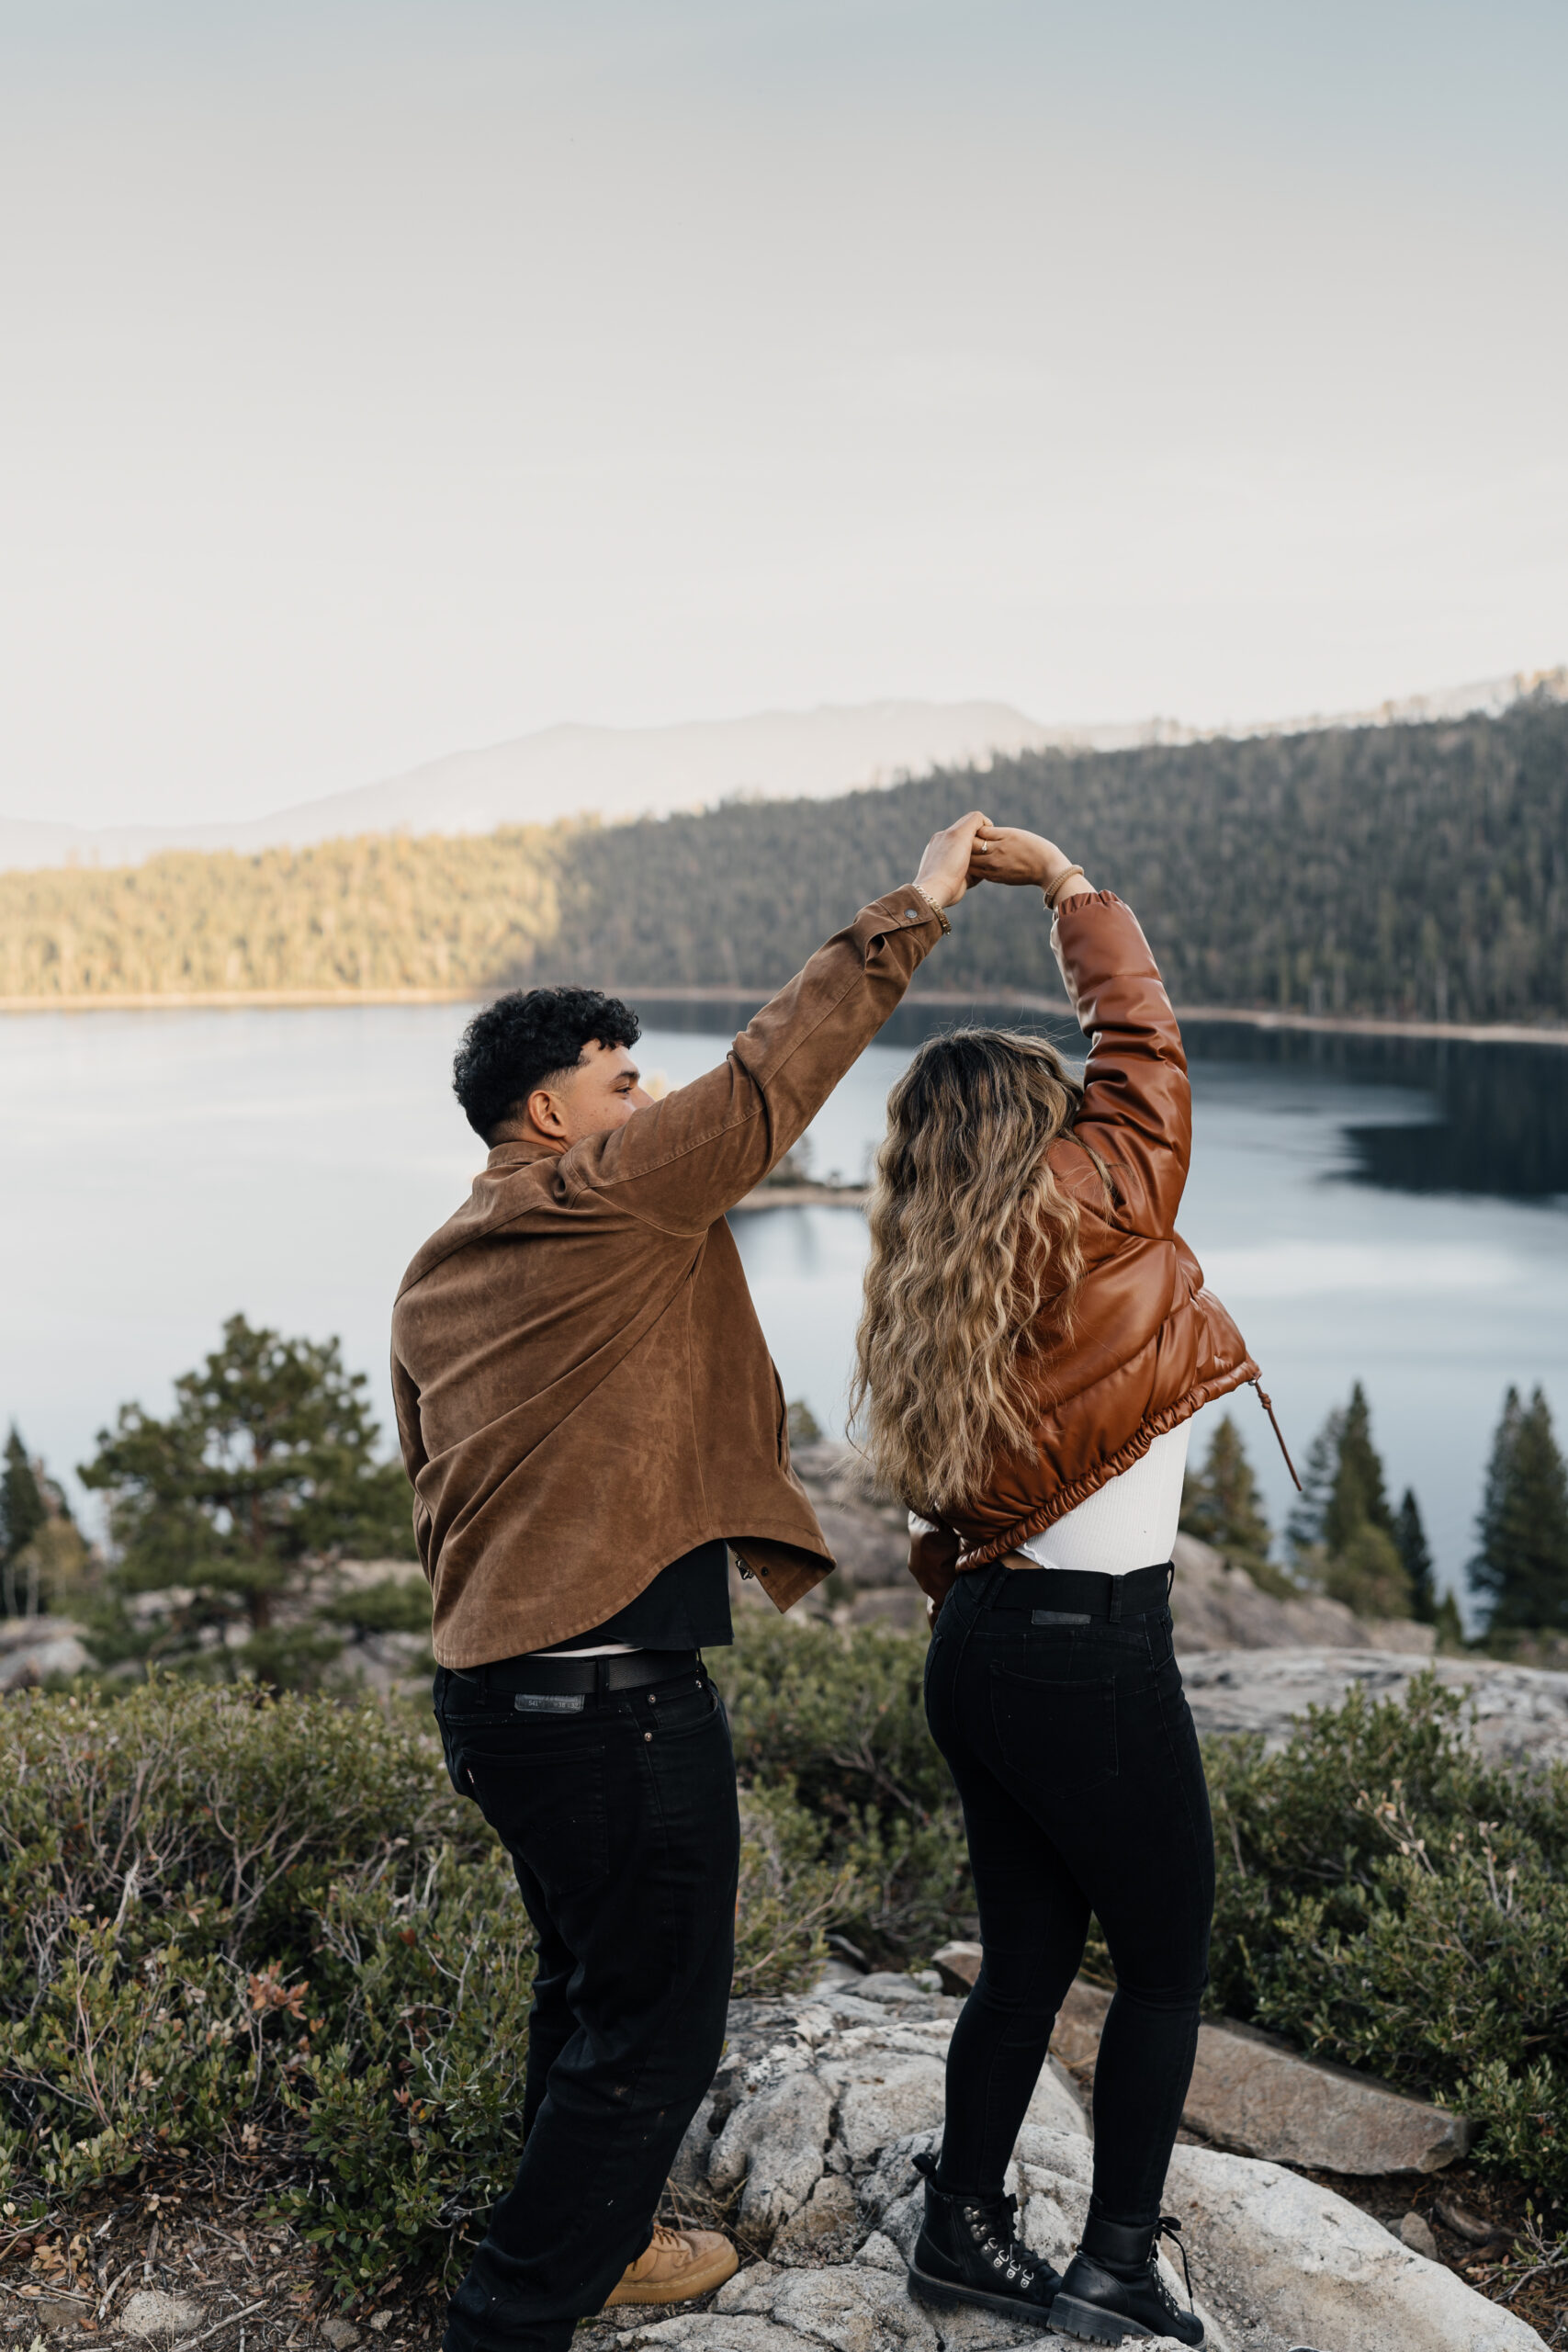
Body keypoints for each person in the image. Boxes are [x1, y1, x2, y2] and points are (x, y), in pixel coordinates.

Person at [389, 810, 995, 2352]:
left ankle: (591, 2241)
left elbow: (427, 1487)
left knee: (584, 1992)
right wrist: (913, 910)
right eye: (619, 1080)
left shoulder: (440, 1264)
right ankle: (513, 2311)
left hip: (496, 1697)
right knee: (651, 2027)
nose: (644, 1100)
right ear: (548, 1110)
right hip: (610, 1704)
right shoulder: (603, 1194)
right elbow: (769, 1078)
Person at [852, 823, 1280, 2349]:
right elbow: (1142, 1042)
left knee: (1030, 1959)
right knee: (1165, 1967)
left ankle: (964, 2232)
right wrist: (1069, 885)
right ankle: (1109, 2264)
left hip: (980, 1650)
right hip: (1090, 1659)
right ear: (1050, 1135)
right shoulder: (1100, 1209)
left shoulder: (933, 1293)